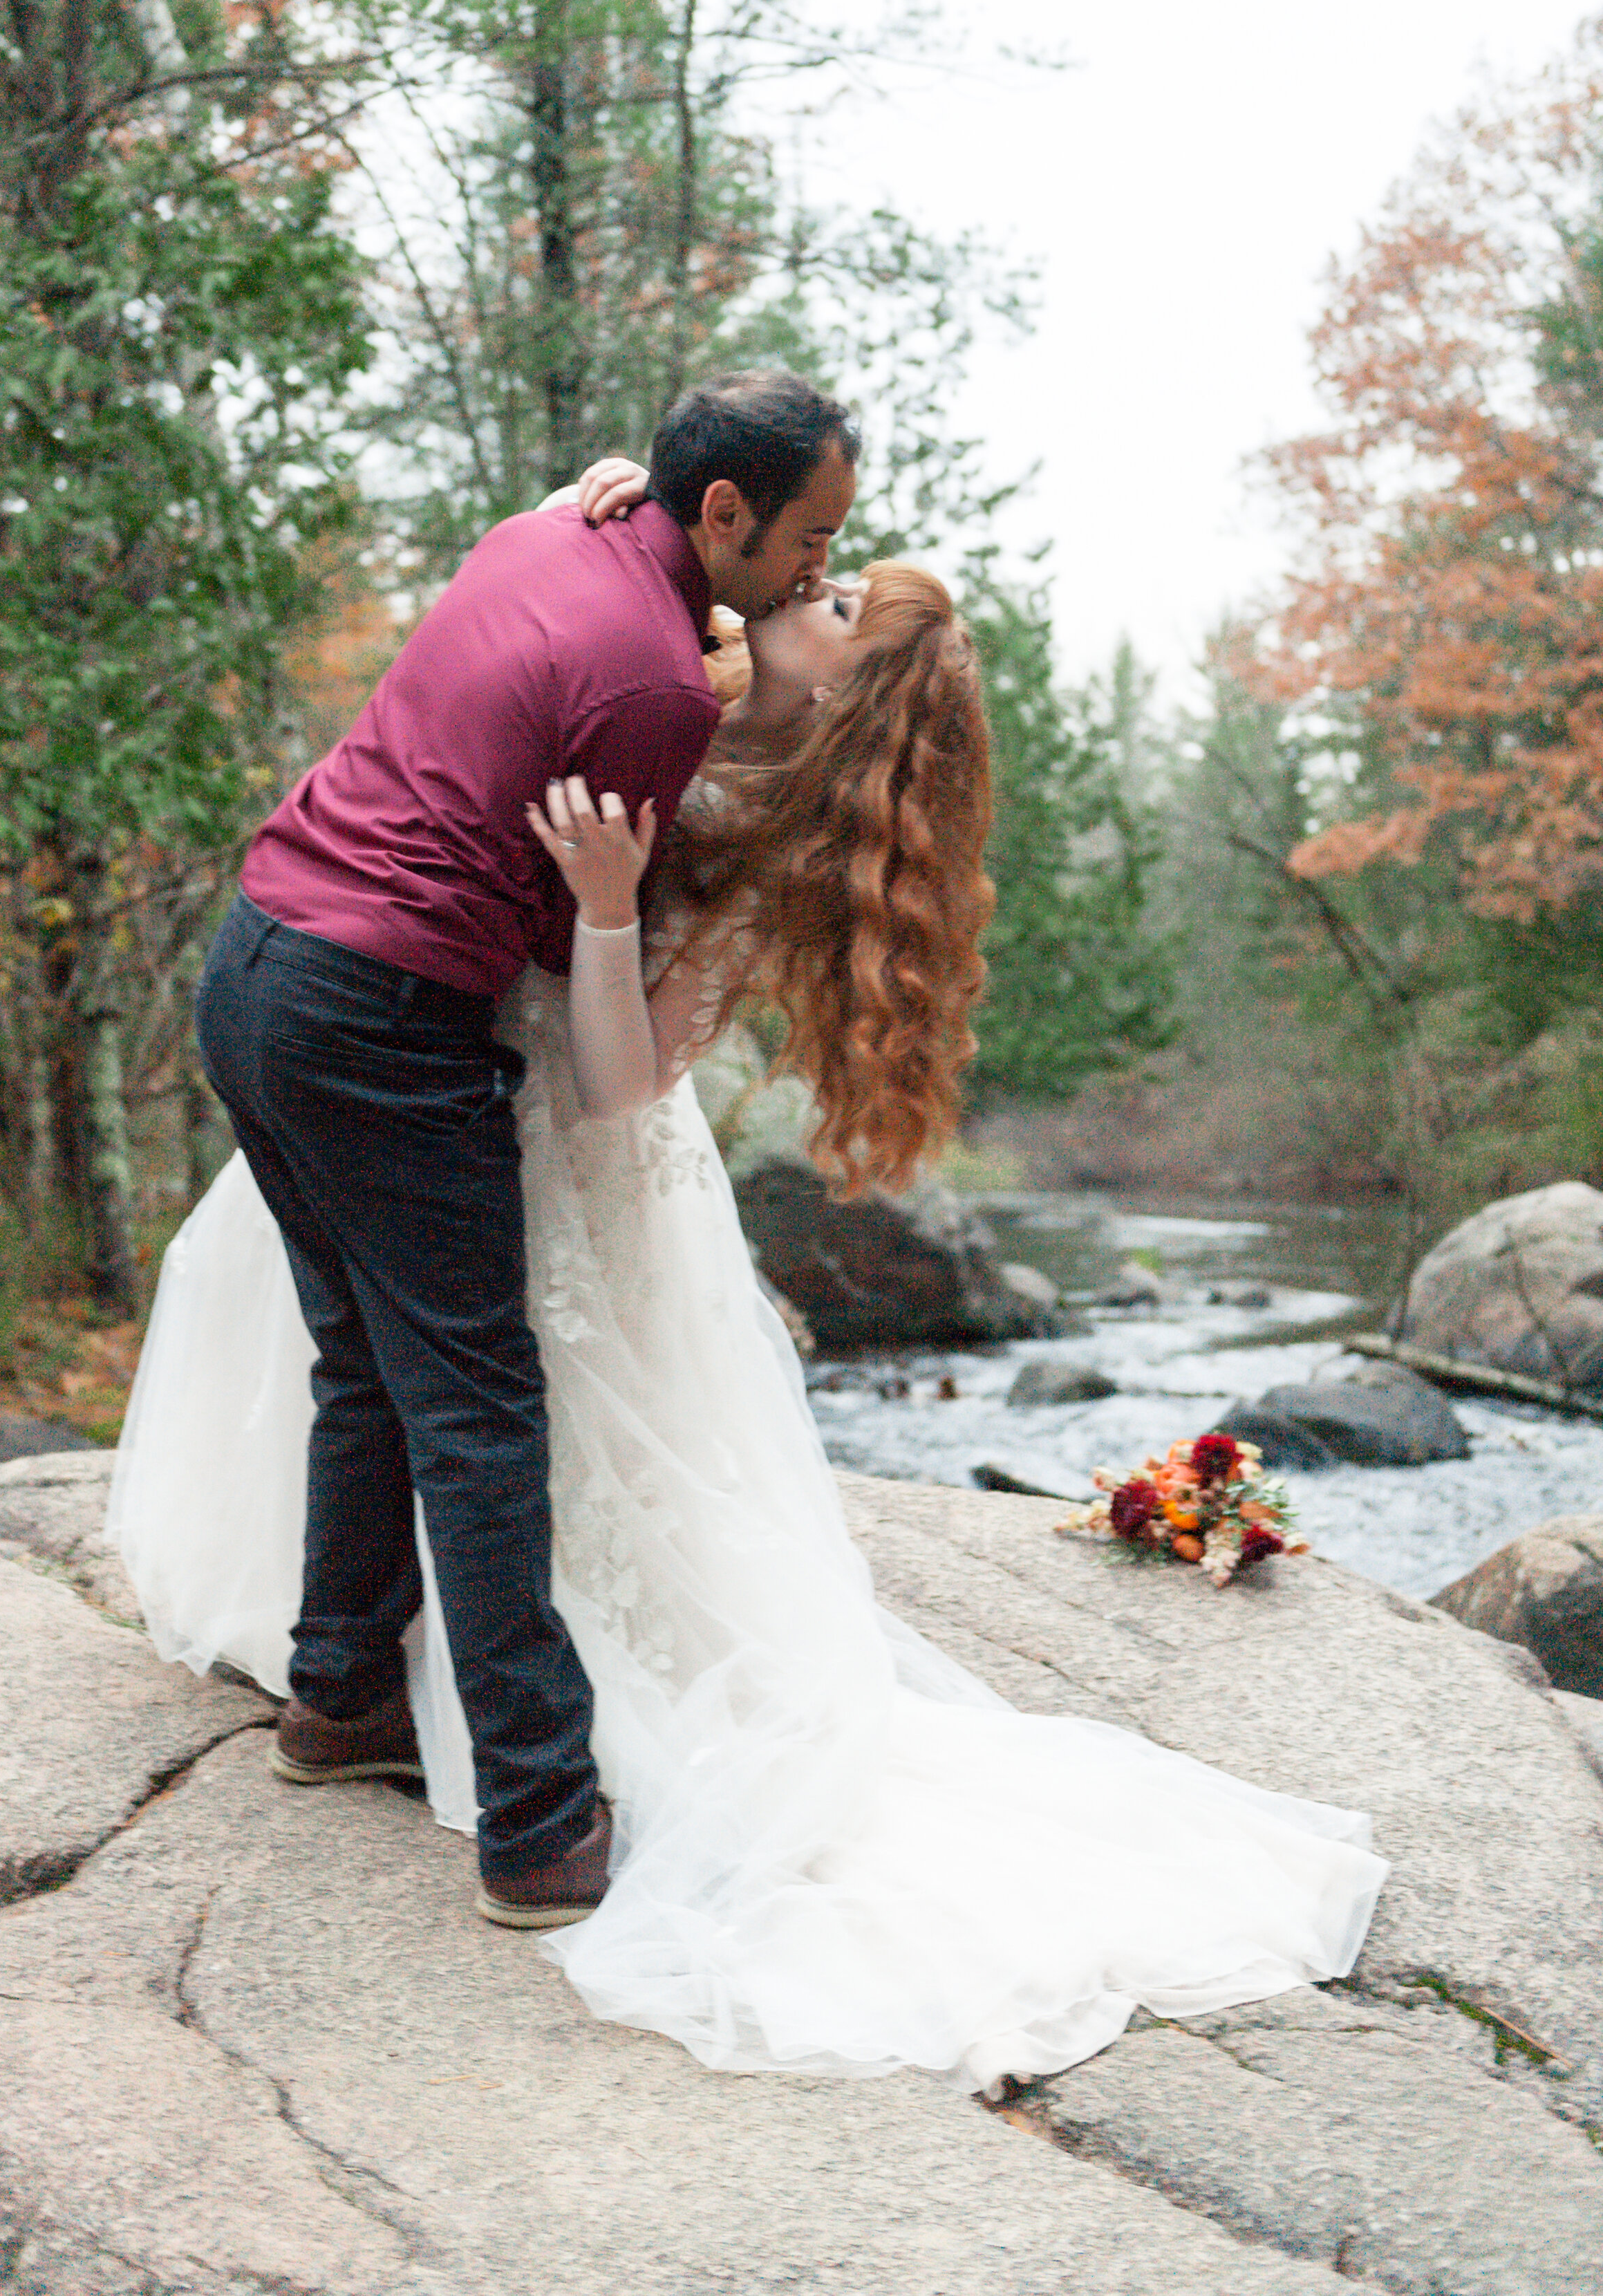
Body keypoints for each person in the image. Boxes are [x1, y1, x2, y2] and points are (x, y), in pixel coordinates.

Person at [111, 481, 1387, 2091]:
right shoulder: (677, 674)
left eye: (847, 604)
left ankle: (512, 1770)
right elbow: (543, 620)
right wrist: (586, 504)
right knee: (376, 1370)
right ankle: (351, 1676)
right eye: (822, 567)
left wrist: (595, 912)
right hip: (401, 1040)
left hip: (541, 1116)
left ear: (853, 693)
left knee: (487, 1411)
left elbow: (617, 1086)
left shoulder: (769, 838)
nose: (816, 583)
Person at [187, 371, 859, 1932]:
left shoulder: (540, 530)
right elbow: (566, 955)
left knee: (362, 1358)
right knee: (478, 1408)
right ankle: (541, 1824)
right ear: (718, 513)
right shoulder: (660, 689)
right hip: (374, 1017)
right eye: (808, 533)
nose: (821, 561)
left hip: (254, 963)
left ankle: (341, 1695)